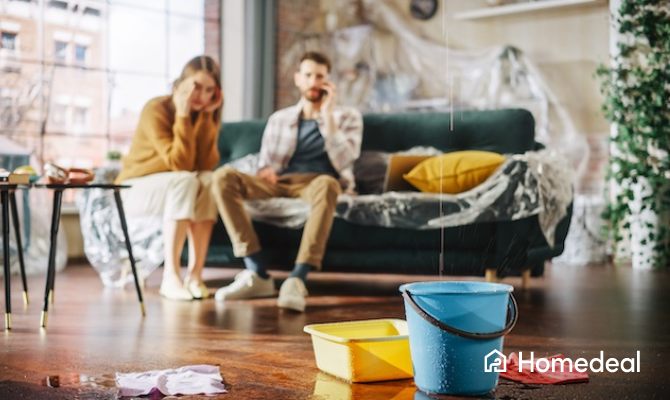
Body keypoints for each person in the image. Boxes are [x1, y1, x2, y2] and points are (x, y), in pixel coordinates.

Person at [211, 51, 363, 312]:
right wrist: (266, 171)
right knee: (222, 177)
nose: (313, 81)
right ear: (298, 79)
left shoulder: (347, 117)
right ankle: (257, 272)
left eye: (320, 76)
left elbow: (346, 159)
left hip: (318, 183)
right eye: (308, 75)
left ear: (328, 82)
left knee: (328, 184)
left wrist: (327, 117)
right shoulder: (279, 119)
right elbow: (266, 163)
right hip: (280, 182)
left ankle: (297, 279)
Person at [116, 55, 223, 301]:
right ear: (180, 84)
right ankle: (171, 277)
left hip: (173, 187)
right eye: (195, 86)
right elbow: (180, 164)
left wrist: (207, 118)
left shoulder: (203, 114)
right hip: (134, 189)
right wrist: (183, 116)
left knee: (209, 180)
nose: (201, 95)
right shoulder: (156, 109)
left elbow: (206, 164)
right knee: (185, 179)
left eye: (209, 90)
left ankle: (195, 275)